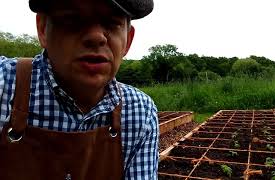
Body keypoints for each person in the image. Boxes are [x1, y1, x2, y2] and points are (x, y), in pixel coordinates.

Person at [0, 0, 158, 179]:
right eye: (74, 19)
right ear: (43, 29)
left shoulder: (140, 112)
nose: (96, 37)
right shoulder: (5, 85)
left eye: (112, 23)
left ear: (128, 41)